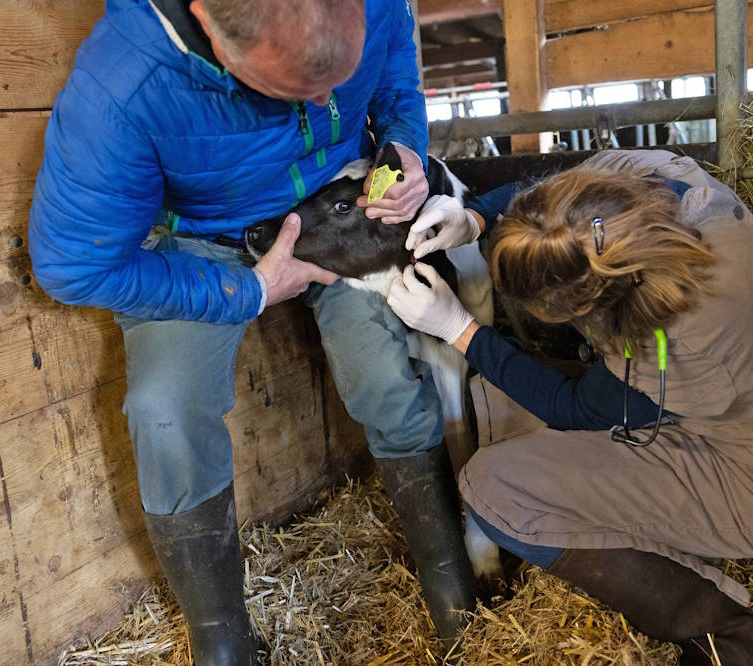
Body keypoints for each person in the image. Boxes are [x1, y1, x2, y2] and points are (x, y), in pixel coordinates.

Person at [28, 0, 475, 662]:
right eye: (298, 89)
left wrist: (403, 140)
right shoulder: (124, 86)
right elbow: (72, 265)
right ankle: (222, 638)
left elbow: (393, 69)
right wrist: (248, 289)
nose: (329, 104)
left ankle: (452, 587)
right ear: (211, 24)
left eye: (336, 82)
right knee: (164, 411)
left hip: (340, 208)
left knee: (385, 375)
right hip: (211, 240)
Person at [388, 149, 753, 665]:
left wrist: (458, 330)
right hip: (727, 407)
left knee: (493, 489)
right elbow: (554, 201)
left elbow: (574, 408)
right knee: (500, 397)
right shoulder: (652, 181)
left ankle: (720, 630)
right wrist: (476, 216)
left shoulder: (681, 331)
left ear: (588, 303)